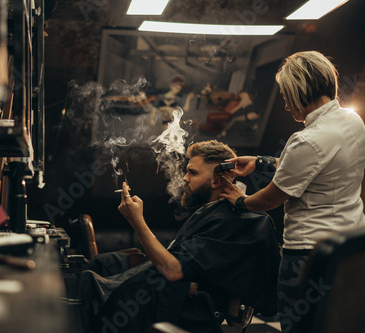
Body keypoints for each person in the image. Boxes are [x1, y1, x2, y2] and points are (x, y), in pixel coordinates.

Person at [65, 140, 280, 333]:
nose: (185, 178)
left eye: (193, 173)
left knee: (79, 291)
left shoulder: (229, 219)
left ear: (216, 181)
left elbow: (174, 270)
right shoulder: (212, 210)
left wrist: (136, 221)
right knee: (93, 273)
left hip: (183, 309)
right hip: (158, 294)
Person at [219, 51, 365, 333]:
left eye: (287, 96)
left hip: (306, 258)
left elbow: (272, 198)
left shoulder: (307, 140)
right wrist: (260, 163)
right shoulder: (353, 122)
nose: (286, 105)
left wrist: (240, 202)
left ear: (301, 91)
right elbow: (318, 169)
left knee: (299, 327)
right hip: (350, 250)